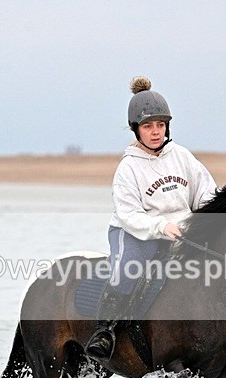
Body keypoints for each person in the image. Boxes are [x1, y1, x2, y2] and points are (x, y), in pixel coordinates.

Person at [84, 76, 218, 363]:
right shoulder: (129, 168)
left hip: (180, 232)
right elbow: (129, 215)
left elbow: (206, 195)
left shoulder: (183, 157)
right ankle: (104, 332)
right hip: (135, 233)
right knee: (127, 271)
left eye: (160, 125)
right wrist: (162, 226)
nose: (156, 132)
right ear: (136, 130)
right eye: (148, 126)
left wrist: (201, 223)